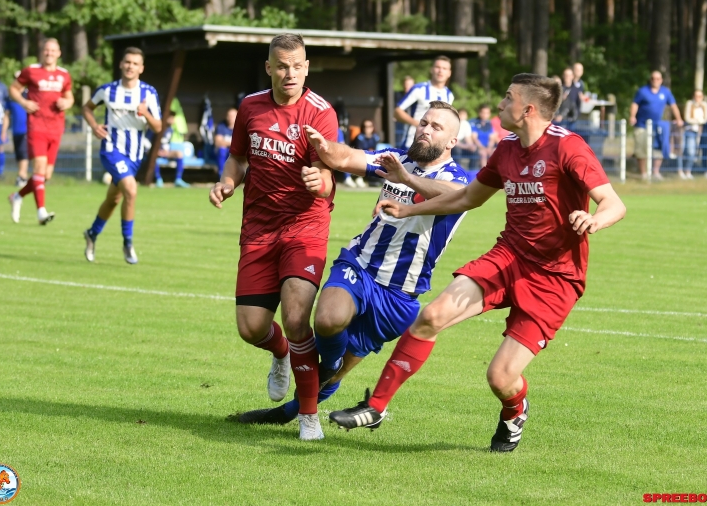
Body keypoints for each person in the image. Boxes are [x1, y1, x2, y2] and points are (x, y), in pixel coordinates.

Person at [329, 74, 626, 453]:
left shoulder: (568, 148)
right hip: (508, 258)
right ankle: (376, 407)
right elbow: (466, 198)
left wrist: (595, 220)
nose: (500, 104)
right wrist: (407, 206)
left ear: (528, 109)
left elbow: (614, 203)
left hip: (555, 277)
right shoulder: (506, 149)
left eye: (507, 97)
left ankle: (514, 411)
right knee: (431, 317)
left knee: (501, 378)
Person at [230, 101, 469, 439]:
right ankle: (320, 368)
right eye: (424, 122)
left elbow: (459, 196)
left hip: (400, 294)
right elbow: (346, 157)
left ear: (451, 142)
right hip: (361, 264)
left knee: (336, 374)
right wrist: (326, 147)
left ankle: (285, 412)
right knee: (327, 319)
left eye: (437, 127)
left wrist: (407, 180)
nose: (426, 130)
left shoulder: (456, 178)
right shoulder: (394, 159)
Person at [208, 33, 338, 441]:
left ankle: (309, 416)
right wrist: (227, 183)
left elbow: (331, 175)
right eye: (282, 66)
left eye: (298, 66)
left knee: (297, 316)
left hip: (306, 228)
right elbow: (238, 157)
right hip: (259, 230)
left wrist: (321, 180)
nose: (290, 74)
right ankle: (281, 353)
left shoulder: (321, 113)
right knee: (250, 328)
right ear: (269, 68)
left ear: (307, 67)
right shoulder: (250, 107)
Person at [81, 47, 163, 265]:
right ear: (121, 64)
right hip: (111, 149)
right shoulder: (107, 90)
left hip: (134, 156)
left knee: (113, 199)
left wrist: (145, 113)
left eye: (135, 63)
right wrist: (94, 126)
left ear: (141, 68)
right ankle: (128, 242)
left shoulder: (148, 93)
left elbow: (158, 126)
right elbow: (87, 108)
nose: (130, 66)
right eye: (127, 62)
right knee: (131, 189)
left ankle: (92, 233)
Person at [8, 38, 74, 225]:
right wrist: (24, 102)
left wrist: (66, 103)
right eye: (46, 50)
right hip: (37, 126)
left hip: (56, 128)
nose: (49, 53)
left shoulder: (64, 75)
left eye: (53, 50)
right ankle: (41, 212)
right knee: (38, 169)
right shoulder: (31, 71)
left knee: (45, 175)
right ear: (41, 52)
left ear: (59, 53)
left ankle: (17, 196)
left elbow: (70, 97)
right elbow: (13, 89)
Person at [630, 70, 684, 180]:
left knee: (660, 148)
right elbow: (635, 104)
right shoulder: (642, 91)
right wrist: (632, 116)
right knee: (641, 149)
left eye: (658, 79)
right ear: (650, 80)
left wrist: (679, 119)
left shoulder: (665, 92)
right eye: (653, 78)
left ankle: (656, 171)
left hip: (658, 126)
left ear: (661, 80)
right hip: (642, 125)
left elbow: (673, 106)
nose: (655, 81)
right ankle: (643, 173)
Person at [395, 57, 454, 150]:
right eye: (437, 67)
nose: (440, 71)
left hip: (434, 147)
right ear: (431, 69)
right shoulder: (419, 89)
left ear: (449, 73)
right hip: (412, 143)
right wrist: (418, 124)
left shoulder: (449, 95)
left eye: (444, 68)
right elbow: (397, 111)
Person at [153, 114, 190, 188]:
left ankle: (178, 179)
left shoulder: (170, 129)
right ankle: (158, 179)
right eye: (171, 117)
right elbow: (147, 143)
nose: (173, 120)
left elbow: (166, 143)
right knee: (153, 157)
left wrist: (165, 151)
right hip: (154, 152)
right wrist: (157, 151)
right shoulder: (156, 128)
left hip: (165, 152)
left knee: (179, 153)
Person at [680, 90, 707, 180]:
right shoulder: (689, 103)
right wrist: (697, 121)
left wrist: (699, 121)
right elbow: (687, 118)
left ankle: (688, 171)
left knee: (694, 152)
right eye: (696, 96)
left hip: (700, 132)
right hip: (689, 131)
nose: (698, 98)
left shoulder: (704, 105)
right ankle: (683, 171)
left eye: (700, 96)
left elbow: (705, 118)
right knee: (688, 151)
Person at [8, 71, 30, 187]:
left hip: (27, 130)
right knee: (19, 154)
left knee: (24, 153)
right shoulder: (11, 97)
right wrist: (3, 130)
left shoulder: (29, 94)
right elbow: (6, 115)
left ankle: (22, 176)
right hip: (16, 131)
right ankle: (22, 176)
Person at [214, 107, 236, 180]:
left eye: (232, 116)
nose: (230, 118)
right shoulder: (221, 126)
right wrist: (232, 143)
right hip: (223, 152)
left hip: (235, 152)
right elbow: (218, 142)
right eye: (228, 116)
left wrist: (226, 143)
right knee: (222, 150)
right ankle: (221, 176)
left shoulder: (241, 127)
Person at [394, 75, 415, 148]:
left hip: (413, 124)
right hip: (399, 124)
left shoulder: (416, 98)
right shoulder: (397, 95)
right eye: (406, 84)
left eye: (409, 85)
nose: (407, 87)